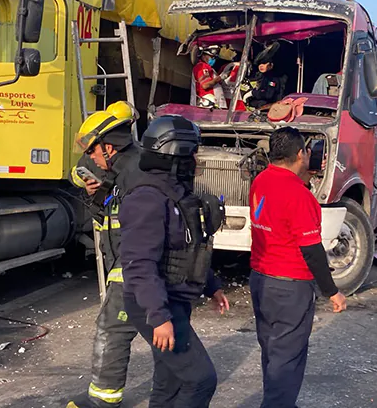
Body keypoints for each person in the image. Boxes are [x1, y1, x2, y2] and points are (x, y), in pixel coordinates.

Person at [119, 115, 230, 407]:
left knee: (169, 383)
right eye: (192, 152)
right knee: (200, 379)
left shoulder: (177, 194)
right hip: (154, 306)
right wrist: (159, 317)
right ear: (176, 152)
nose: (196, 159)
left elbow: (189, 248)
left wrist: (212, 286)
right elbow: (139, 265)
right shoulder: (147, 198)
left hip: (173, 300)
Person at [249, 126, 348, 408]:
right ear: (301, 154)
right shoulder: (298, 195)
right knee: (287, 359)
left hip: (260, 279)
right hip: (289, 287)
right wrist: (332, 291)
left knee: (272, 351)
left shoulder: (262, 181)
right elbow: (312, 251)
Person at [67, 102, 142, 408]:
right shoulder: (123, 171)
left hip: (133, 267)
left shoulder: (133, 173)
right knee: (161, 333)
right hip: (129, 264)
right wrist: (97, 192)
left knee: (113, 331)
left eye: (95, 152)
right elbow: (83, 179)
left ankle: (102, 402)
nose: (92, 159)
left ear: (109, 147)